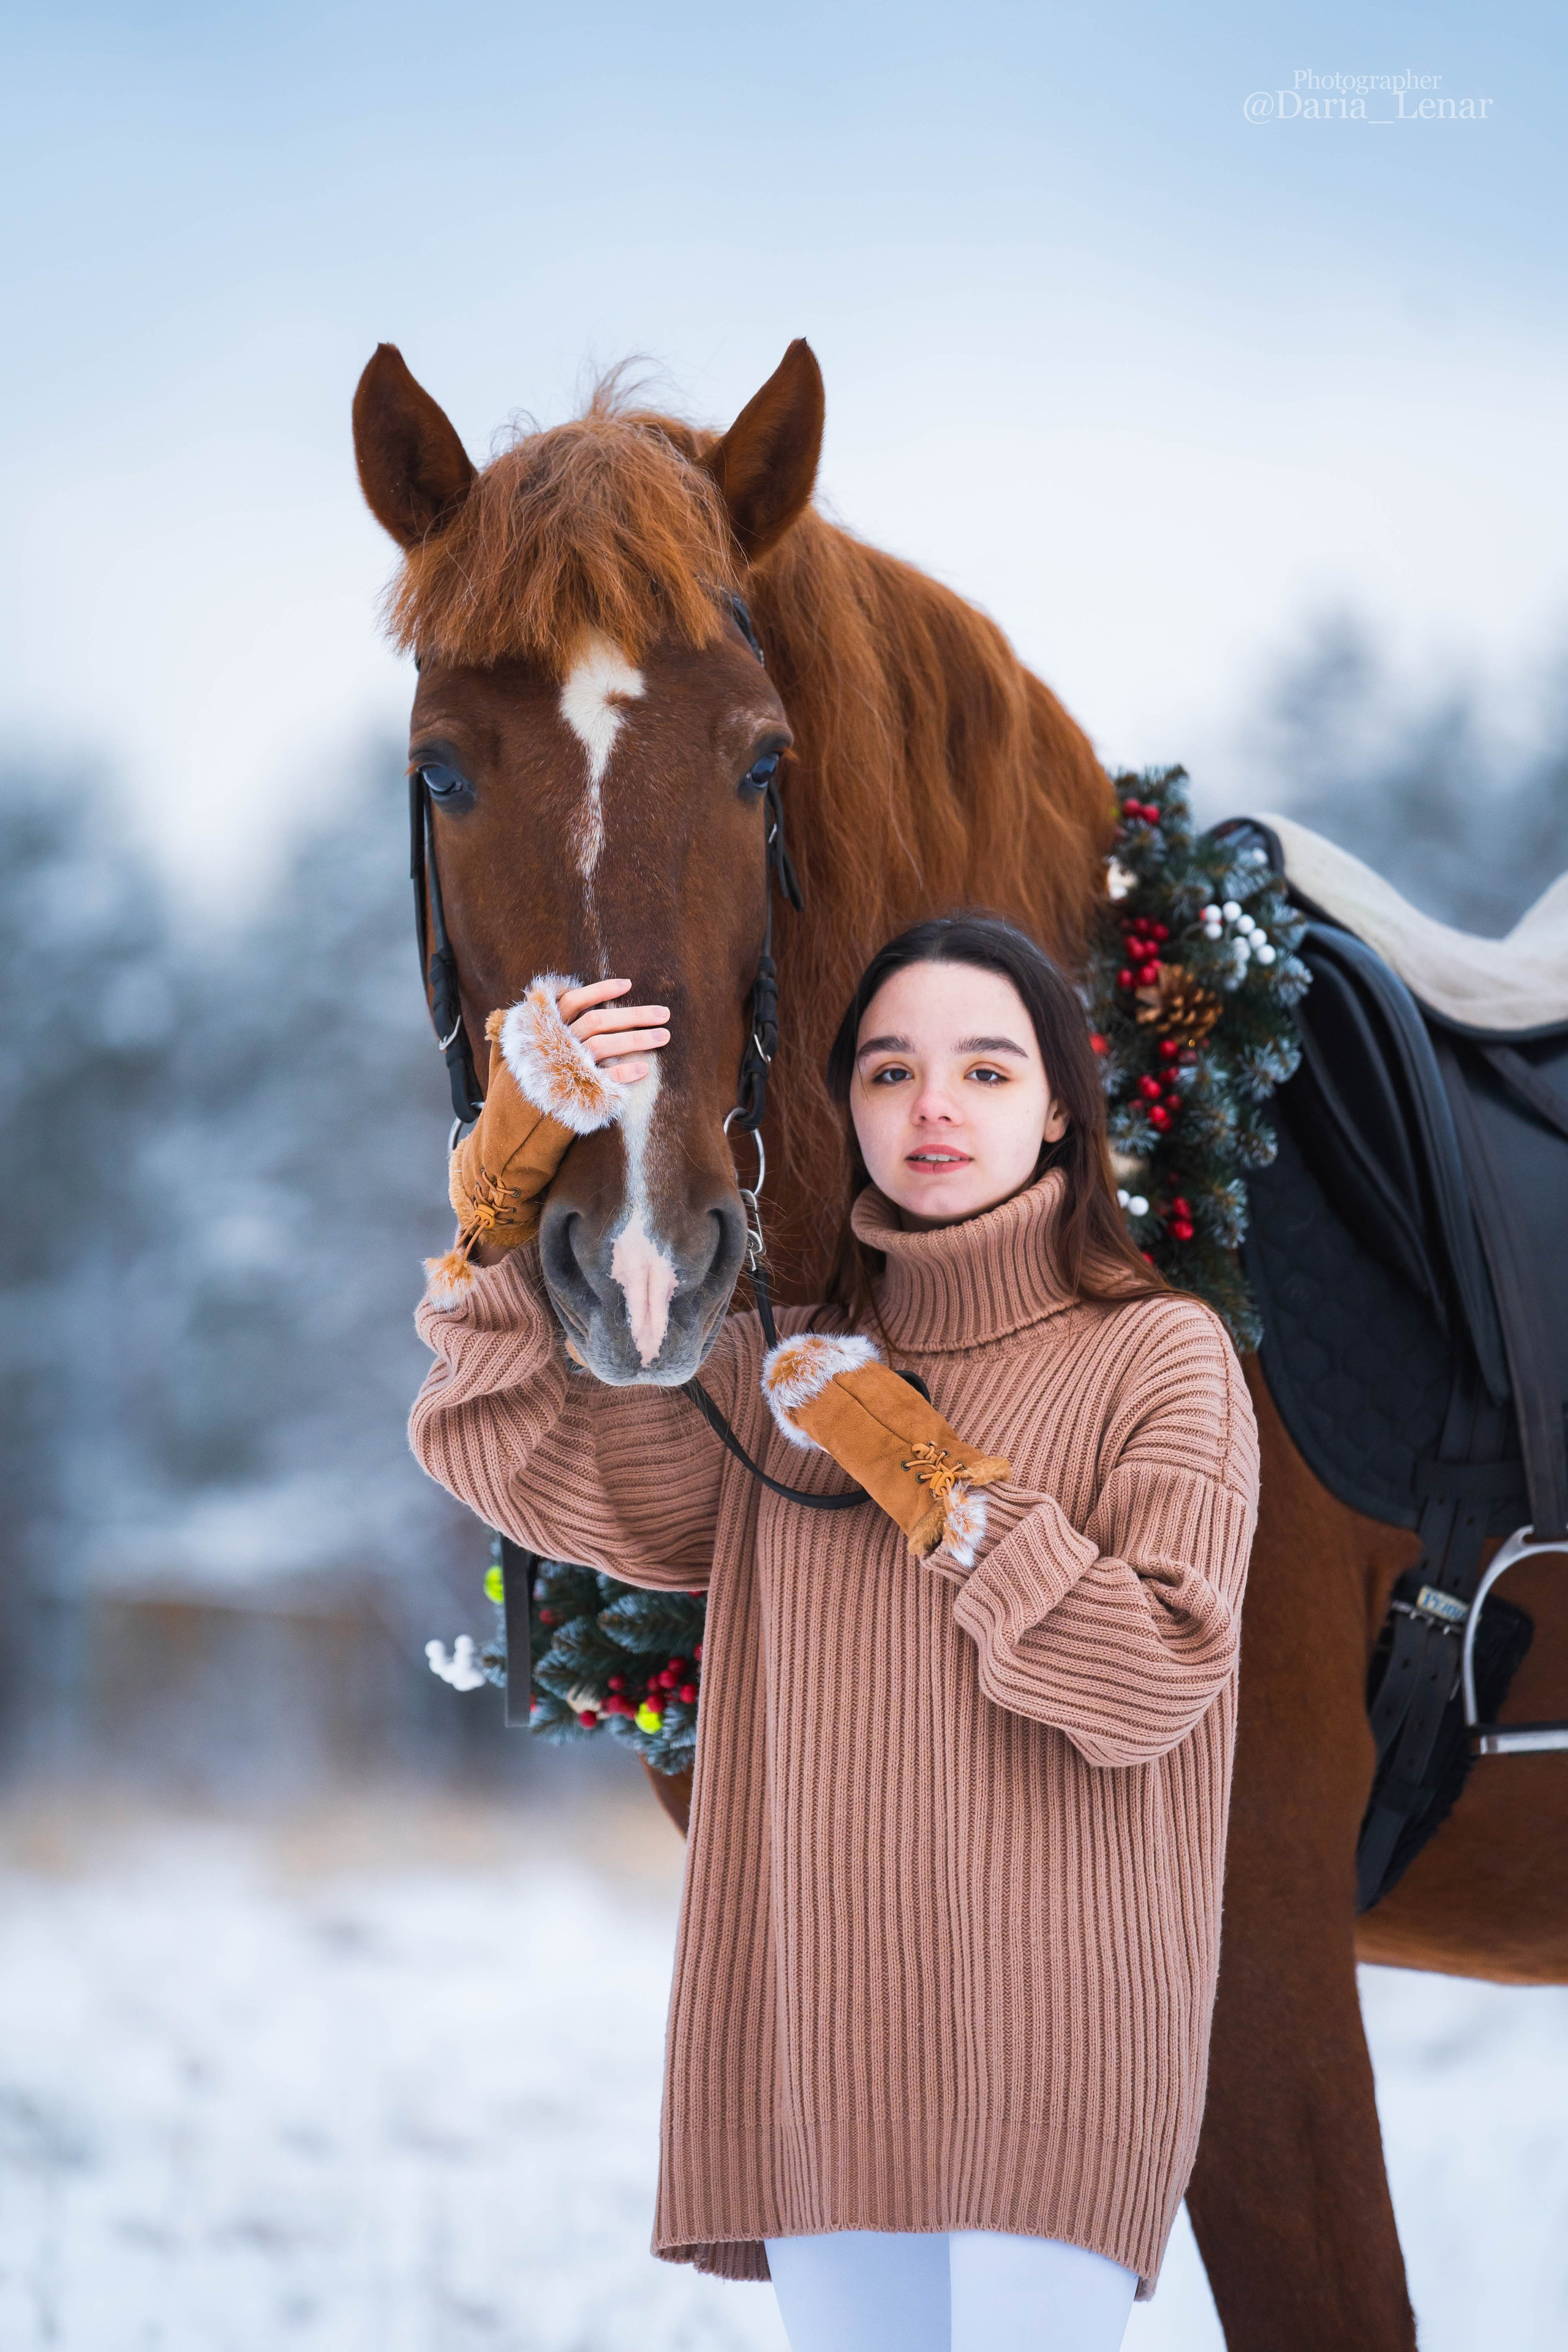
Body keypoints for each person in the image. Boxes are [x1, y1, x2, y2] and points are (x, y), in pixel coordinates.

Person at [410, 913, 1260, 2352]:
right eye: (887, 1070)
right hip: (816, 2038)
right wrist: (505, 1181)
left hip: (1052, 2046)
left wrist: (922, 1471)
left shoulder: (1155, 1351)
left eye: (986, 1071)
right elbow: (512, 1448)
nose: (932, 1106)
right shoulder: (772, 1370)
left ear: (1059, 1109)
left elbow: (1148, 1676)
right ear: (844, 1107)